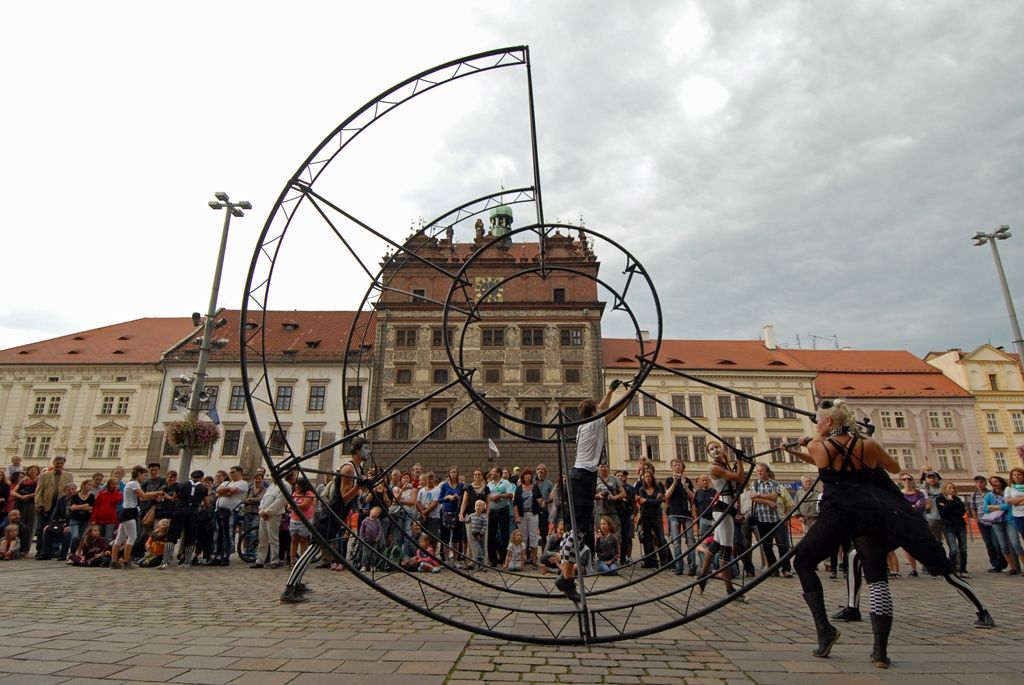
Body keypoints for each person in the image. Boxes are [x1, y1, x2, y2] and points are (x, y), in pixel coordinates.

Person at [788, 398, 994, 670]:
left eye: (819, 418)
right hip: (871, 514)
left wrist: (817, 432)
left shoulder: (820, 445)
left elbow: (817, 445)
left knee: (803, 561)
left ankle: (825, 630)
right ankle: (880, 652)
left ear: (827, 422)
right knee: (877, 580)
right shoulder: (868, 445)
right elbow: (895, 469)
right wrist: (854, 439)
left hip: (838, 514)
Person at [556, 382, 627, 601]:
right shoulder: (595, 423)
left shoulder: (585, 423)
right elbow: (612, 412)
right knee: (577, 532)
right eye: (597, 407)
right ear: (594, 412)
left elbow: (603, 406)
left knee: (574, 531)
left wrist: (611, 391)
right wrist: (630, 396)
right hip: (583, 478)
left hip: (579, 478)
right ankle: (565, 579)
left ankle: (565, 577)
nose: (600, 407)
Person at [696, 441, 747, 603]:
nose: (715, 450)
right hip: (722, 510)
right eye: (711, 449)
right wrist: (739, 461)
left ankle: (703, 576)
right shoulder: (715, 468)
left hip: (729, 508)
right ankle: (730, 590)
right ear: (709, 454)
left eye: (717, 447)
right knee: (726, 549)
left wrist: (738, 509)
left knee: (716, 545)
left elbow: (739, 484)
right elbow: (739, 477)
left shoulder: (726, 465)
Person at [110, 465, 165, 569]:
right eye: (144, 475)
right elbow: (143, 496)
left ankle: (114, 561)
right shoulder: (134, 484)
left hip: (125, 512)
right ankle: (126, 561)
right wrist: (157, 493)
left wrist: (154, 495)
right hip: (129, 512)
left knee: (120, 538)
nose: (145, 477)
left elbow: (142, 497)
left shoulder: (132, 484)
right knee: (132, 537)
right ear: (138, 474)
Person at [749, 463, 793, 578]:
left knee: (782, 545)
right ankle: (773, 568)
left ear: (767, 472)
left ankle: (786, 569)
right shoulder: (754, 483)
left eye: (761, 471)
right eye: (757, 471)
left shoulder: (775, 483)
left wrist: (759, 495)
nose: (759, 473)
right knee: (767, 546)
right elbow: (753, 498)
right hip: (761, 519)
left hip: (776, 518)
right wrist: (768, 501)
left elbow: (774, 497)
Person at [163, 470, 209, 568]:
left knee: (172, 536)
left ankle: (165, 561)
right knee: (190, 537)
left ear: (191, 476)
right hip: (193, 513)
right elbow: (207, 504)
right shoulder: (203, 488)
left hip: (179, 511)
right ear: (202, 478)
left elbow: (174, 498)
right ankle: (187, 562)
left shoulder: (180, 485)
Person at [983, 476, 1022, 574]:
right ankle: (1013, 568)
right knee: (1003, 546)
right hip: (996, 522)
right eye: (992, 482)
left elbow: (1008, 505)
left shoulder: (1008, 491)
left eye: (996, 481)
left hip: (1009, 521)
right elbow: (985, 509)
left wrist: (994, 507)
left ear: (1001, 482)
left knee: (1015, 544)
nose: (994, 484)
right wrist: (998, 507)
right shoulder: (989, 495)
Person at [664, 459, 697, 576]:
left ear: (683, 468)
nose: (677, 467)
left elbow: (693, 497)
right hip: (673, 514)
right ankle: (679, 567)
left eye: (679, 465)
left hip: (687, 514)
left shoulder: (688, 480)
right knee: (676, 542)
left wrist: (685, 486)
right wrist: (674, 482)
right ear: (672, 468)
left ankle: (692, 566)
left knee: (691, 541)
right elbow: (667, 495)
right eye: (675, 465)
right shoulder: (668, 480)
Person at [211, 465, 248, 566]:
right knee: (217, 534)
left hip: (231, 511)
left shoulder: (242, 483)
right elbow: (217, 492)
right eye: (230, 472)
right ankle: (217, 556)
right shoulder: (226, 482)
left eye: (233, 472)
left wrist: (224, 491)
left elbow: (232, 492)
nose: (231, 474)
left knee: (228, 534)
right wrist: (225, 491)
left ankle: (226, 556)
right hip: (218, 510)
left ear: (239, 472)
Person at [254, 471, 290, 569]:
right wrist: (261, 510)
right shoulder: (271, 486)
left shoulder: (285, 485)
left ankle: (274, 560)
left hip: (274, 515)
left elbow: (280, 501)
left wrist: (268, 512)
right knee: (262, 538)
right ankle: (260, 560)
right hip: (263, 514)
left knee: (273, 538)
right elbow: (263, 499)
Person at [968, 475, 1003, 572]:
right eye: (977, 482)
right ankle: (995, 564)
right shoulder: (974, 495)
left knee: (997, 543)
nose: (979, 484)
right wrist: (977, 520)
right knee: (988, 543)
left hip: (993, 521)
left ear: (985, 483)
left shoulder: (991, 493)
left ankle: (1001, 561)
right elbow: (973, 508)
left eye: (981, 482)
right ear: (975, 484)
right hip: (982, 523)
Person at [636, 469, 669, 568]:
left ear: (652, 477)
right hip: (645, 515)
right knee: (647, 539)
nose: (647, 478)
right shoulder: (641, 489)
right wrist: (651, 501)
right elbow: (642, 501)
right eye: (645, 477)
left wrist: (646, 500)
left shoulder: (658, 488)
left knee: (661, 538)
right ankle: (651, 563)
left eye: (649, 476)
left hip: (656, 515)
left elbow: (659, 502)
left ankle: (665, 562)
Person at [936, 482, 968, 576]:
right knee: (953, 549)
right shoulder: (940, 499)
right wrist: (949, 502)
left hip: (960, 525)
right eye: (949, 488)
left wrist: (950, 507)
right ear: (945, 489)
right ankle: (951, 570)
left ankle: (963, 570)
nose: (952, 490)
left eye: (953, 488)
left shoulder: (958, 499)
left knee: (963, 549)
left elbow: (961, 512)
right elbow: (943, 512)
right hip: (948, 526)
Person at [898, 473, 927, 576]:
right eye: (904, 479)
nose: (907, 481)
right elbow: (900, 507)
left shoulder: (919, 493)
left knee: (922, 544)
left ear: (912, 480)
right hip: (905, 522)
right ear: (901, 481)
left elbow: (922, 506)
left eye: (909, 479)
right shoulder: (899, 494)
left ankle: (926, 565)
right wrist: (912, 506)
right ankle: (913, 569)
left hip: (918, 521)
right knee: (908, 546)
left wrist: (911, 507)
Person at [486, 468, 514, 567]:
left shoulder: (505, 483)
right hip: (492, 512)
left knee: (504, 535)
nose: (491, 473)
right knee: (491, 535)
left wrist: (500, 496)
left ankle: (504, 558)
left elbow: (511, 495)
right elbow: (486, 497)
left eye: (493, 472)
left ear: (498, 473)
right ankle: (492, 559)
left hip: (503, 510)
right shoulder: (489, 484)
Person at [438, 466, 466, 567]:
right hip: (446, 512)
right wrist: (447, 497)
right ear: (449, 473)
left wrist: (458, 497)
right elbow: (439, 499)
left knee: (456, 537)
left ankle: (455, 560)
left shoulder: (461, 485)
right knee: (445, 537)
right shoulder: (445, 485)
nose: (453, 474)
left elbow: (464, 499)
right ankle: (446, 560)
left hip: (457, 512)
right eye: (451, 472)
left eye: (455, 472)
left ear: (457, 474)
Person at [514, 469, 541, 568]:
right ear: (523, 477)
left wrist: (540, 501)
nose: (527, 477)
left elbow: (540, 498)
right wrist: (516, 516)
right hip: (522, 515)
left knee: (533, 537)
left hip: (533, 514)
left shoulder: (535, 487)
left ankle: (534, 560)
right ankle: (523, 559)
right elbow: (515, 503)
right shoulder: (519, 488)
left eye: (529, 475)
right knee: (523, 538)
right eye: (526, 475)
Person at [11, 464, 39, 555]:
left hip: (31, 505)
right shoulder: (23, 481)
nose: (33, 471)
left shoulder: (39, 481)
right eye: (31, 470)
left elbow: (39, 492)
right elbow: (13, 491)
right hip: (20, 504)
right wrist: (21, 496)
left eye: (35, 470)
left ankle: (26, 549)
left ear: (38, 472)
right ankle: (17, 548)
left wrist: (28, 496)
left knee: (30, 527)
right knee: (19, 525)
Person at [92, 478, 122, 542]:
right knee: (98, 537)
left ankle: (107, 551)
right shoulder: (101, 494)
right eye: (113, 484)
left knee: (108, 537)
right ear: (109, 484)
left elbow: (114, 500)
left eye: (116, 484)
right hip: (99, 518)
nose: (115, 486)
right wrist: (93, 518)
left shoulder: (118, 494)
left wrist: (114, 492)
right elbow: (96, 507)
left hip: (111, 519)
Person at [616, 469, 636, 564]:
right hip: (615, 514)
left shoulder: (629, 488)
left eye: (621, 475)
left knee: (626, 537)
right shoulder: (613, 487)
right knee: (616, 537)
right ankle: (616, 557)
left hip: (626, 514)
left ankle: (624, 558)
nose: (620, 477)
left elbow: (630, 501)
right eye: (618, 476)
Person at [358, 506, 383, 571]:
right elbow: (361, 530)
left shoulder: (377, 521)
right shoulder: (365, 521)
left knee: (373, 554)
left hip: (374, 541)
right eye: (375, 510)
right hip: (366, 540)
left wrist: (378, 537)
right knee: (365, 553)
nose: (376, 513)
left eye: (378, 513)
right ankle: (364, 565)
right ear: (371, 510)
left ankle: (373, 565)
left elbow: (380, 530)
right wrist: (362, 538)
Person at [467, 500, 488, 569]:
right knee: (477, 549)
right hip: (474, 535)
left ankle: (481, 564)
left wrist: (481, 534)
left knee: (481, 549)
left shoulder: (483, 517)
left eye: (480, 506)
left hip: (480, 535)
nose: (478, 507)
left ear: (483, 508)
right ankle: (480, 563)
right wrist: (464, 519)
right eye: (476, 505)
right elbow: (467, 520)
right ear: (474, 507)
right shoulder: (472, 515)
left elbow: (485, 526)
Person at [535, 464, 553, 539]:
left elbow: (552, 498)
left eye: (542, 469)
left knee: (543, 533)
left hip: (543, 510)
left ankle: (544, 549)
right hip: (533, 509)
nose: (540, 470)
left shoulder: (549, 484)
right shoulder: (532, 482)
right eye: (538, 469)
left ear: (545, 472)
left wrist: (545, 501)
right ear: (536, 471)